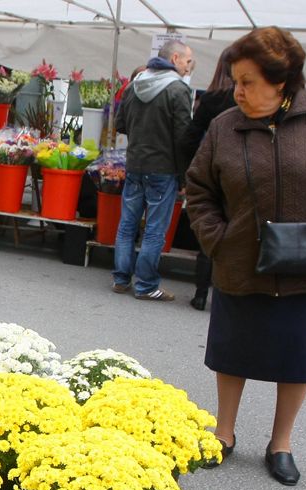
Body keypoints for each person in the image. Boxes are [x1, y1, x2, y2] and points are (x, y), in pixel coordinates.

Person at [185, 27, 306, 485]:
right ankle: (224, 433)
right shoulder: (224, 125)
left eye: (248, 81)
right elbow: (198, 188)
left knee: (298, 354)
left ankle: (281, 443)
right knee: (232, 351)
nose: (238, 91)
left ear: (282, 79)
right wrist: (218, 238)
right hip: (240, 261)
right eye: (236, 80)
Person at [110, 39, 194, 301]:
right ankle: (146, 286)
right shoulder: (178, 89)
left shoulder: (135, 84)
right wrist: (185, 175)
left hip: (135, 163)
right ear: (176, 58)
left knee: (127, 225)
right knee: (155, 229)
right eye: (188, 60)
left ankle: (121, 279)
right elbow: (184, 137)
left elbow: (120, 123)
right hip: (163, 168)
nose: (189, 66)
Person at [180, 48, 236, 312]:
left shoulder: (210, 100)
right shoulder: (250, 101)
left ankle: (201, 293)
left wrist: (194, 168)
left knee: (210, 233)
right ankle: (230, 293)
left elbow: (190, 139)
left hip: (213, 173)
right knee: (239, 233)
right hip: (243, 175)